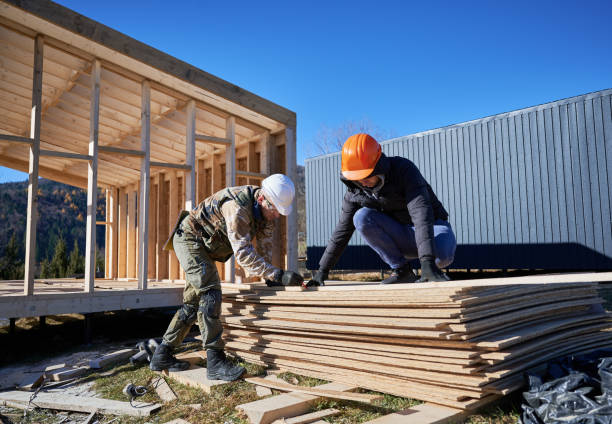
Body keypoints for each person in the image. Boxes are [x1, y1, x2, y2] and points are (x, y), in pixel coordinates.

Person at [149, 174, 304, 380]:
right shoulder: (237, 207)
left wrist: (272, 275)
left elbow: (263, 245)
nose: (276, 215)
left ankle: (162, 354)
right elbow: (243, 254)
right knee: (211, 294)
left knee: (193, 304)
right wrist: (278, 274)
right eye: (274, 209)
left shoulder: (265, 211)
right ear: (261, 199)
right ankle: (215, 361)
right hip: (190, 239)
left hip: (205, 245)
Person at [307, 133, 456, 286]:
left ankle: (430, 264)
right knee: (361, 217)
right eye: (357, 178)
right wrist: (322, 271)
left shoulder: (403, 170)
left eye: (367, 176)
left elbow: (421, 213)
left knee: (441, 257)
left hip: (433, 227)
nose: (363, 182)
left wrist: (427, 262)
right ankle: (402, 271)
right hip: (400, 235)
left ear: (378, 166)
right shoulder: (354, 192)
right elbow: (342, 232)